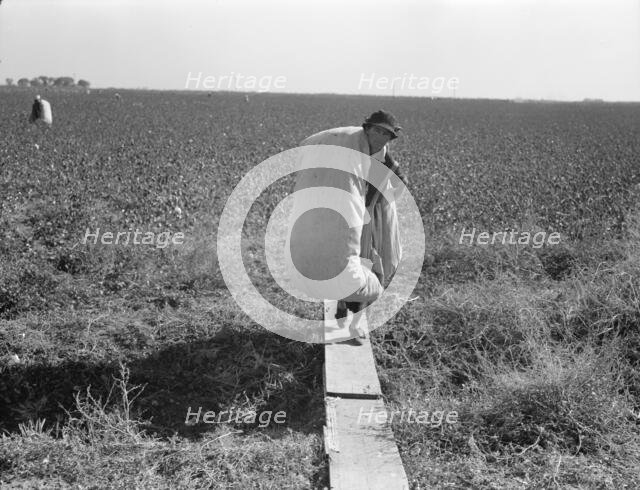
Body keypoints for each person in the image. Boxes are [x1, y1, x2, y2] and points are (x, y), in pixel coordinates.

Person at [287, 110, 406, 342]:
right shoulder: (348, 148)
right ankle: (341, 310)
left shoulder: (386, 161)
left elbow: (400, 184)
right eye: (377, 130)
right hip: (343, 216)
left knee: (365, 262)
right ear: (368, 129)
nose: (381, 136)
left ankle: (354, 322)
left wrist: (380, 204)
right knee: (340, 258)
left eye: (387, 134)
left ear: (390, 140)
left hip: (368, 218)